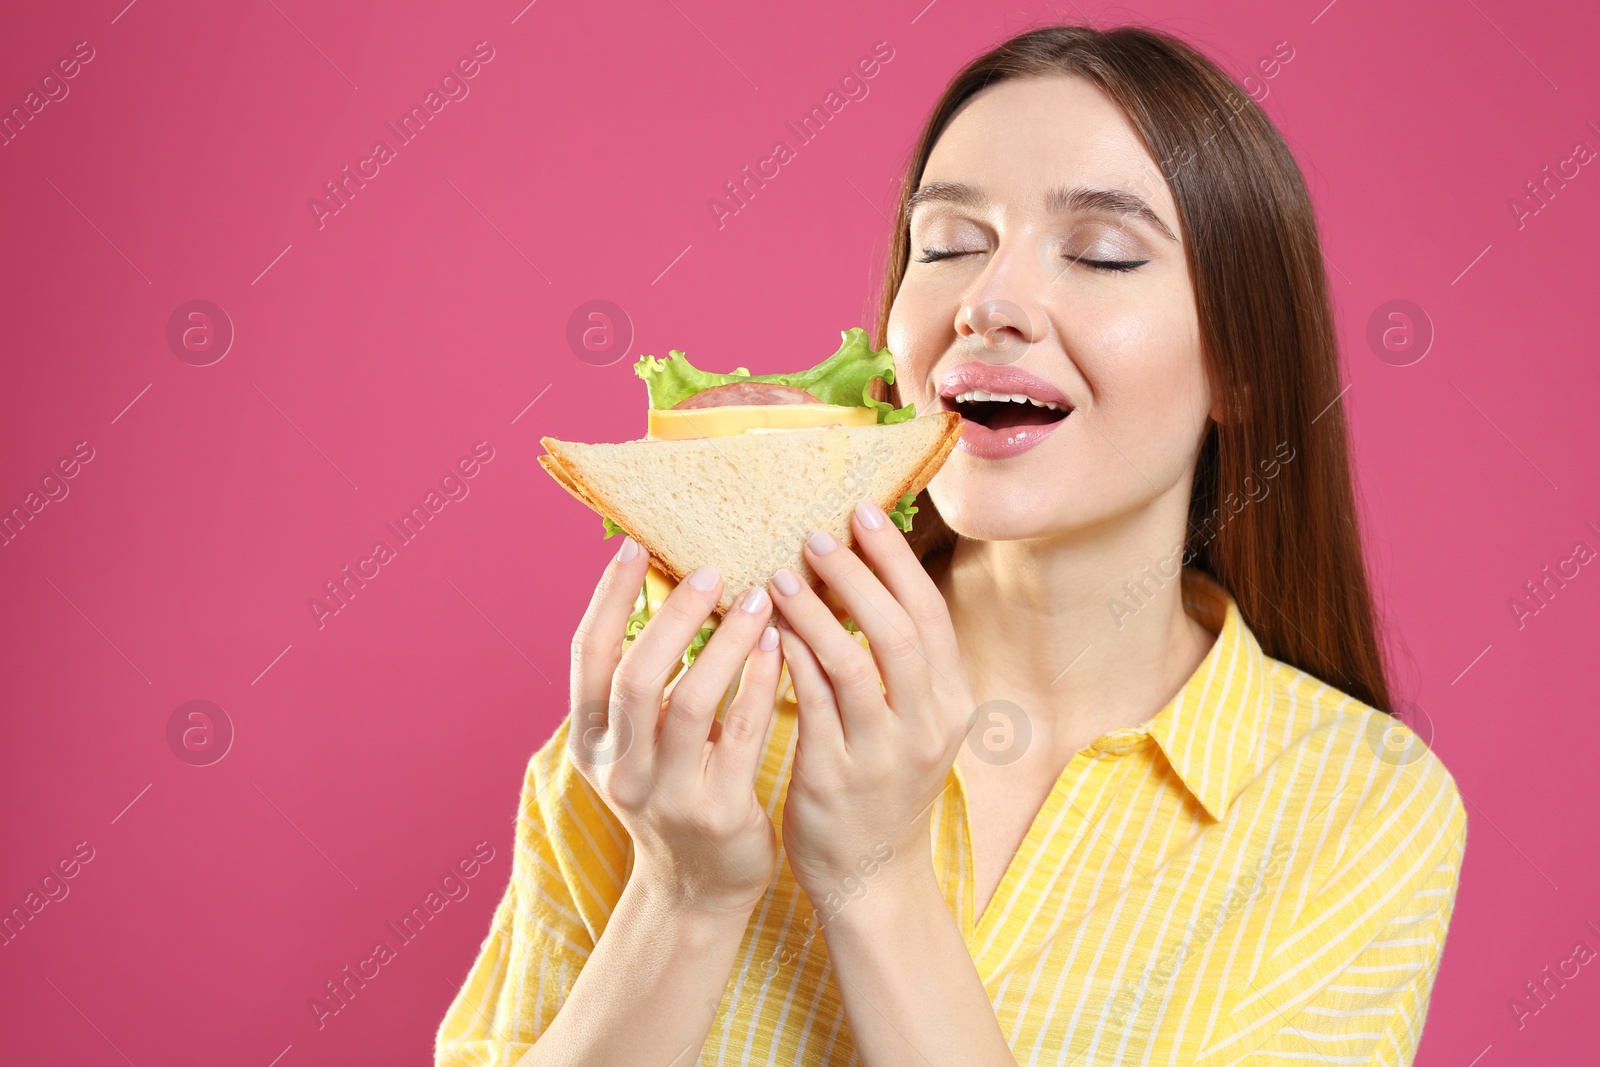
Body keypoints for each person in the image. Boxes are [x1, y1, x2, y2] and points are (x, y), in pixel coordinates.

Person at [436, 22, 1466, 1067]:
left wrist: (878, 878)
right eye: (949, 244)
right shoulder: (674, 724)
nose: (987, 303)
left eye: (1101, 253)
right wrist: (682, 890)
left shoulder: (1357, 807)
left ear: (1241, 364)